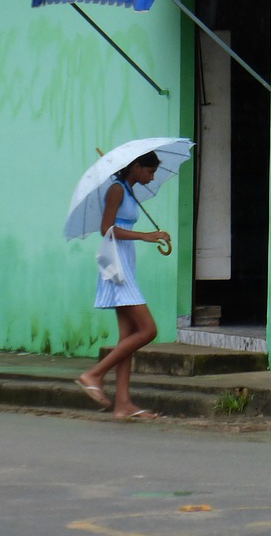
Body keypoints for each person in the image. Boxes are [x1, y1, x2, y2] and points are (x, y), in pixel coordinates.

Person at [75, 152, 169, 420]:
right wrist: (145, 235)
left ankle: (123, 404)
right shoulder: (116, 190)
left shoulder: (129, 190)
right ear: (136, 167)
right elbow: (106, 228)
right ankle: (93, 374)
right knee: (148, 330)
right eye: (149, 171)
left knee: (128, 338)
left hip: (126, 264)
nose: (152, 177)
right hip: (116, 268)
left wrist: (150, 235)